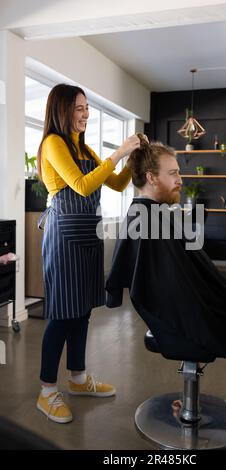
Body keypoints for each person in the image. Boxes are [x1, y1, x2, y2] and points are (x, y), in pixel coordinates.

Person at [106, 135, 226, 428]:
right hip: (188, 318)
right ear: (151, 177)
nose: (180, 180)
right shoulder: (148, 220)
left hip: (195, 308)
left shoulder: (151, 215)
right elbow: (173, 289)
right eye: (173, 174)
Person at [36, 83, 143, 424]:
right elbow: (82, 186)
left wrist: (133, 158)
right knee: (61, 314)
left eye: (86, 108)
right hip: (64, 235)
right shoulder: (53, 144)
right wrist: (119, 150)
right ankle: (46, 390)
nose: (85, 114)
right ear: (62, 110)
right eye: (79, 108)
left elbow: (116, 183)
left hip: (87, 234)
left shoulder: (84, 148)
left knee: (81, 312)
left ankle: (78, 378)